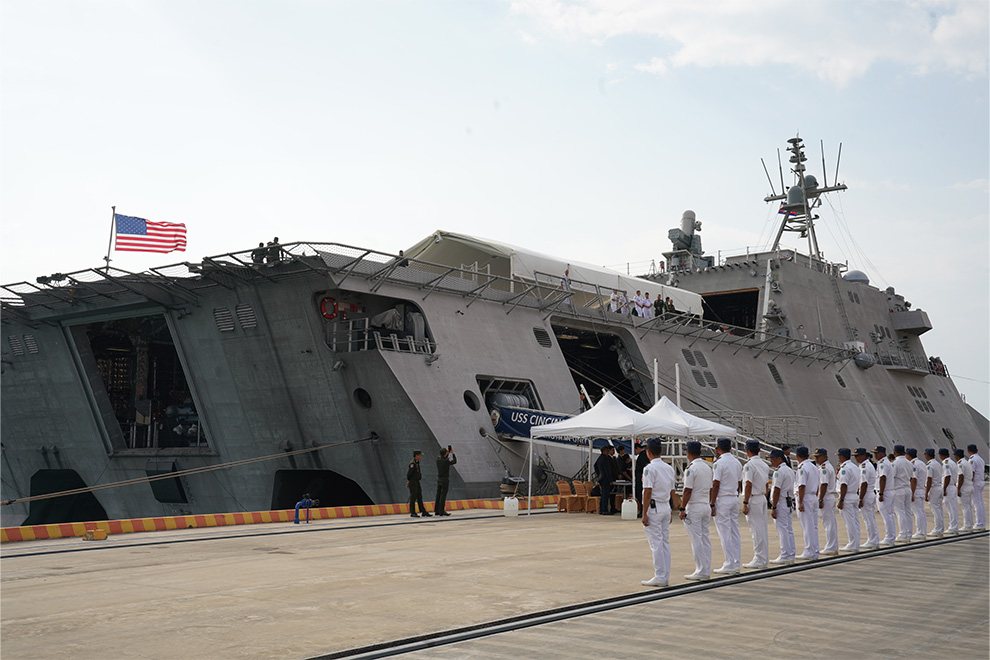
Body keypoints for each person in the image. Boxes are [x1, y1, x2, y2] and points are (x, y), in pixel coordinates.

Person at [640, 439, 676, 587]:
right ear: (661, 451)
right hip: (665, 507)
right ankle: (665, 575)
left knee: (656, 543)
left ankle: (660, 575)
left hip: (654, 508)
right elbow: (672, 491)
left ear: (648, 452)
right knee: (664, 542)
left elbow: (647, 492)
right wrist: (671, 509)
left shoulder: (649, 469)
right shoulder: (669, 468)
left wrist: (644, 513)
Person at [679, 441, 712, 580]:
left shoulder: (691, 469)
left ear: (688, 453)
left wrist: (682, 508)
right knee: (705, 538)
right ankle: (706, 568)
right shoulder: (707, 467)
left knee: (696, 540)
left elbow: (687, 491)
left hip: (695, 506)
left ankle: (701, 570)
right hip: (705, 504)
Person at [710, 437, 743, 575]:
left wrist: (712, 502)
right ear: (730, 448)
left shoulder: (719, 463)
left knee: (725, 533)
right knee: (734, 531)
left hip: (723, 499)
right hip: (733, 498)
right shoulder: (737, 462)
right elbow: (740, 483)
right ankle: (736, 562)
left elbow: (716, 484)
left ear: (718, 449)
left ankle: (729, 563)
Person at [741, 439, 770, 569]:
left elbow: (748, 484)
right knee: (762, 528)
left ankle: (759, 558)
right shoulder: (764, 464)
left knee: (756, 530)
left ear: (747, 451)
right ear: (759, 450)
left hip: (753, 498)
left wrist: (745, 502)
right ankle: (763, 557)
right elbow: (766, 484)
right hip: (762, 497)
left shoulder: (749, 465)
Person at [768, 448, 796, 565]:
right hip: (788, 501)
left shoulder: (779, 471)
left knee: (782, 530)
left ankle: (785, 554)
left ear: (779, 459)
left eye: (773, 459)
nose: (771, 462)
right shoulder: (789, 470)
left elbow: (776, 490)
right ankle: (790, 553)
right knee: (788, 529)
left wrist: (773, 507)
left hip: (781, 502)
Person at [794, 446, 820, 560]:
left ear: (797, 456)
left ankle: (809, 551)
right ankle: (814, 550)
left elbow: (801, 486)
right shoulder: (813, 467)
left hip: (805, 497)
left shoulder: (802, 468)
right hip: (813, 496)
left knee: (807, 526)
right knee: (813, 526)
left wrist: (800, 502)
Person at [835, 448, 861, 552]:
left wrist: (841, 500)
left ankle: (852, 544)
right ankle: (856, 543)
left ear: (842, 457)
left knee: (849, 522)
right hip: (854, 495)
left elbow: (844, 485)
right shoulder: (854, 467)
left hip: (847, 497)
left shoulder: (845, 468)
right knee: (855, 522)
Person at [814, 448, 838, 555]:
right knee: (830, 523)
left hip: (826, 497)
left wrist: (820, 499)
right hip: (828, 497)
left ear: (825, 457)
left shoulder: (824, 468)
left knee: (828, 524)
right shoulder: (826, 467)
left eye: (818, 457)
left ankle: (831, 547)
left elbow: (823, 485)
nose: (816, 459)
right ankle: (832, 546)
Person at [855, 447, 879, 549]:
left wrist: (860, 499)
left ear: (863, 456)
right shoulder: (868, 465)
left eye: (857, 456)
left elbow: (864, 484)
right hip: (869, 493)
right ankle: (874, 539)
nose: (856, 458)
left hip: (866, 494)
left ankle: (872, 540)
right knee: (870, 518)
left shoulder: (864, 467)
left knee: (868, 519)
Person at [873, 446, 896, 547]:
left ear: (882, 453)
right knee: (889, 515)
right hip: (889, 491)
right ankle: (891, 537)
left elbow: (882, 478)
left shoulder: (882, 464)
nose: (875, 455)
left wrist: (881, 493)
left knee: (887, 516)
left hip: (885, 492)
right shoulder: (887, 462)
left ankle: (889, 538)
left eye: (876, 453)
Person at [890, 445, 914, 541]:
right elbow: (912, 477)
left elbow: (892, 476)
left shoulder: (895, 463)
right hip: (907, 488)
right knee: (908, 512)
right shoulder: (909, 463)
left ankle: (903, 534)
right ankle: (909, 533)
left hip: (898, 489)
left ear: (895, 453)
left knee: (900, 512)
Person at [924, 448, 944, 537]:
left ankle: (937, 529)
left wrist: (926, 492)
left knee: (935, 509)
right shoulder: (937, 463)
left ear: (927, 455)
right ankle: (940, 528)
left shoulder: (929, 465)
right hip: (939, 487)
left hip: (934, 488)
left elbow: (929, 479)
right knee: (939, 509)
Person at [907, 448, 927, 539]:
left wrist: (912, 493)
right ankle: (923, 531)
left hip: (916, 490)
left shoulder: (913, 464)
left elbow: (914, 480)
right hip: (921, 489)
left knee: (917, 512)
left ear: (908, 455)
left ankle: (920, 532)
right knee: (921, 512)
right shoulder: (921, 463)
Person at [940, 448, 960, 535]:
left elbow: (947, 476)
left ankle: (953, 527)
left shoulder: (946, 463)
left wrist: (944, 489)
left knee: (951, 508)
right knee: (953, 508)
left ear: (941, 455)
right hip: (952, 486)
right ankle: (954, 526)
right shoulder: (952, 462)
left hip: (948, 487)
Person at [406, 450, 431, 518]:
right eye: (419, 455)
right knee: (413, 497)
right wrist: (409, 481)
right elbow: (409, 474)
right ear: (416, 456)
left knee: (419, 497)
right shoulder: (412, 464)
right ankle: (413, 512)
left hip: (417, 482)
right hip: (413, 482)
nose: (420, 457)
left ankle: (423, 511)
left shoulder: (417, 463)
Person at [967, 444, 986, 530]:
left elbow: (971, 473)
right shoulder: (980, 459)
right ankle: (982, 522)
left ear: (968, 451)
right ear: (977, 450)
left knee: (976, 503)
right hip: (981, 481)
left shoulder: (972, 460)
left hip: (975, 482)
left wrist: (968, 484)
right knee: (980, 503)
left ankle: (979, 523)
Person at [955, 448, 974, 532]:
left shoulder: (960, 464)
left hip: (964, 487)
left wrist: (958, 489)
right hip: (969, 486)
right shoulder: (967, 462)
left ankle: (967, 525)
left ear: (957, 456)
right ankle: (970, 524)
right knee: (968, 506)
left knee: (964, 507)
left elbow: (960, 477)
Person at [434, 446, 456, 516]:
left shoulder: (438, 460)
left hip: (439, 479)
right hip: (445, 479)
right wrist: (452, 453)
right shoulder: (446, 461)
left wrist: (447, 453)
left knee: (438, 495)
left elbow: (443, 458)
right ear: (445, 454)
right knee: (443, 495)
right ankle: (442, 510)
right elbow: (454, 461)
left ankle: (436, 510)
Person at [594, 446, 616, 515]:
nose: (608, 452)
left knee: (603, 495)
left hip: (602, 478)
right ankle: (604, 510)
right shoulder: (605, 459)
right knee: (605, 495)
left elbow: (595, 466)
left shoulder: (600, 458)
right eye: (607, 451)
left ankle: (602, 509)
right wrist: (610, 480)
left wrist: (599, 474)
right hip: (605, 479)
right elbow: (607, 471)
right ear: (604, 451)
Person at [634, 442, 650, 513]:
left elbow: (643, 466)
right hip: (641, 477)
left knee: (640, 494)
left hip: (641, 478)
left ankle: (642, 510)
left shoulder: (642, 455)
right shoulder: (643, 454)